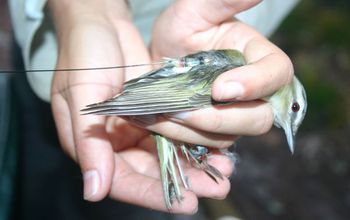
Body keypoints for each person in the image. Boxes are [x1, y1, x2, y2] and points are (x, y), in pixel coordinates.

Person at [8, 0, 300, 217]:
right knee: (38, 171)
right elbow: (178, 90)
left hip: (168, 57)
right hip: (57, 43)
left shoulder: (244, 68)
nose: (289, 122)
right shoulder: (238, 66)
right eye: (295, 110)